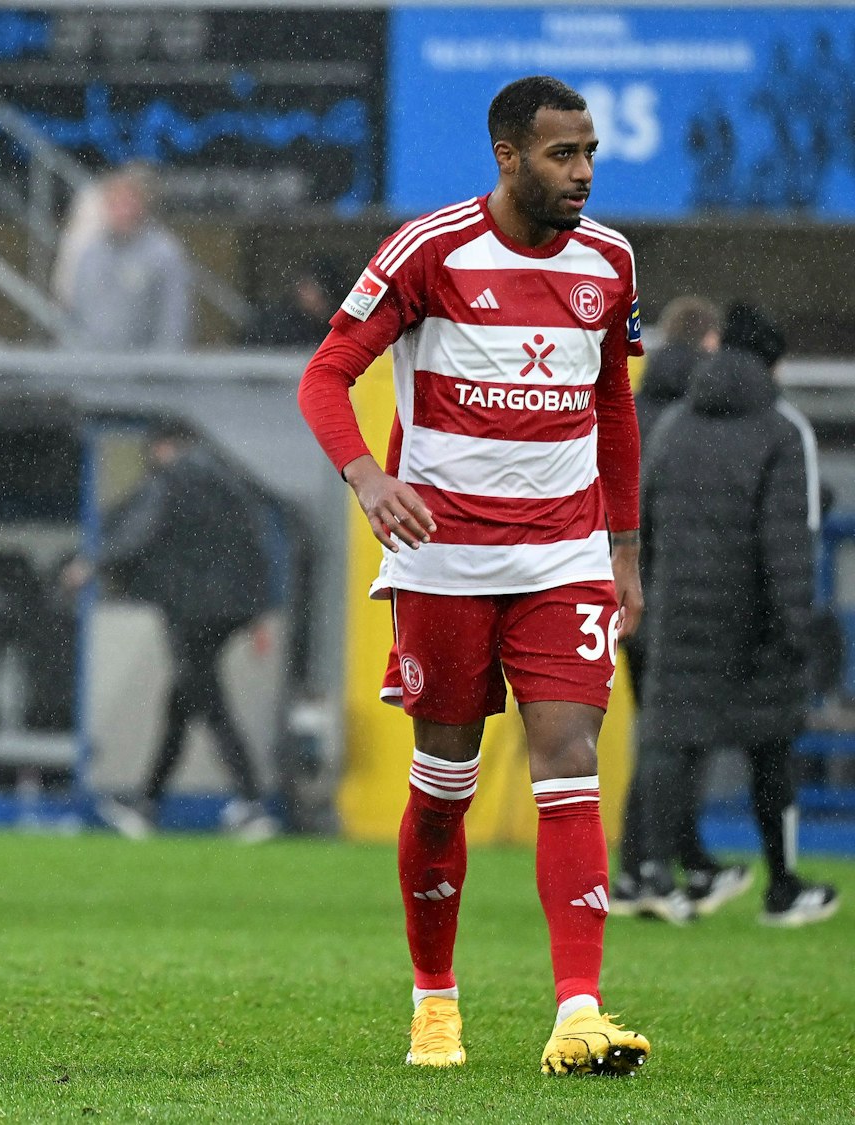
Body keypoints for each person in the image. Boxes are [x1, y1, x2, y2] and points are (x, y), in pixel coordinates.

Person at [296, 77, 650, 1074]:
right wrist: (365, 478)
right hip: (443, 561)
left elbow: (613, 414)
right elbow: (324, 377)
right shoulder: (430, 252)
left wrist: (621, 550)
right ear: (506, 157)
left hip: (562, 555)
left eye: (587, 152)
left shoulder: (609, 262)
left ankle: (576, 1010)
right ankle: (434, 1000)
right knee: (443, 786)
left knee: (567, 758)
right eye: (560, 155)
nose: (581, 171)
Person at [639, 304, 840, 929]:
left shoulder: (673, 424)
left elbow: (639, 520)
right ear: (772, 363)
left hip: (675, 614)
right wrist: (796, 626)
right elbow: (789, 544)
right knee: (770, 751)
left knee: (671, 747)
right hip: (753, 625)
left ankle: (649, 875)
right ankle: (781, 887)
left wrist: (645, 597)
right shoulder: (783, 432)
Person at [610, 295, 749, 922]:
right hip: (679, 597)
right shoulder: (699, 417)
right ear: (710, 344)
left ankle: (683, 862)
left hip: (624, 590)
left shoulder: (632, 408)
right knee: (674, 739)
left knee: (665, 734)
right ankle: (643, 870)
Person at [73, 421, 278, 842]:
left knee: (207, 699)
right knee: (183, 700)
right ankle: (148, 804)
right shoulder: (230, 481)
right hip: (230, 608)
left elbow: (141, 531)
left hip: (191, 609)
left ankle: (252, 802)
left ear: (164, 447)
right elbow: (257, 541)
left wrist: (93, 563)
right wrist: (257, 609)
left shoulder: (171, 480)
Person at [61, 164, 193, 352]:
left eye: (128, 202)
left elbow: (173, 322)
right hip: (93, 372)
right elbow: (76, 318)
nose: (122, 210)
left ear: (143, 205)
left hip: (144, 372)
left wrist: (162, 371)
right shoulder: (90, 254)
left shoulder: (165, 254)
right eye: (115, 203)